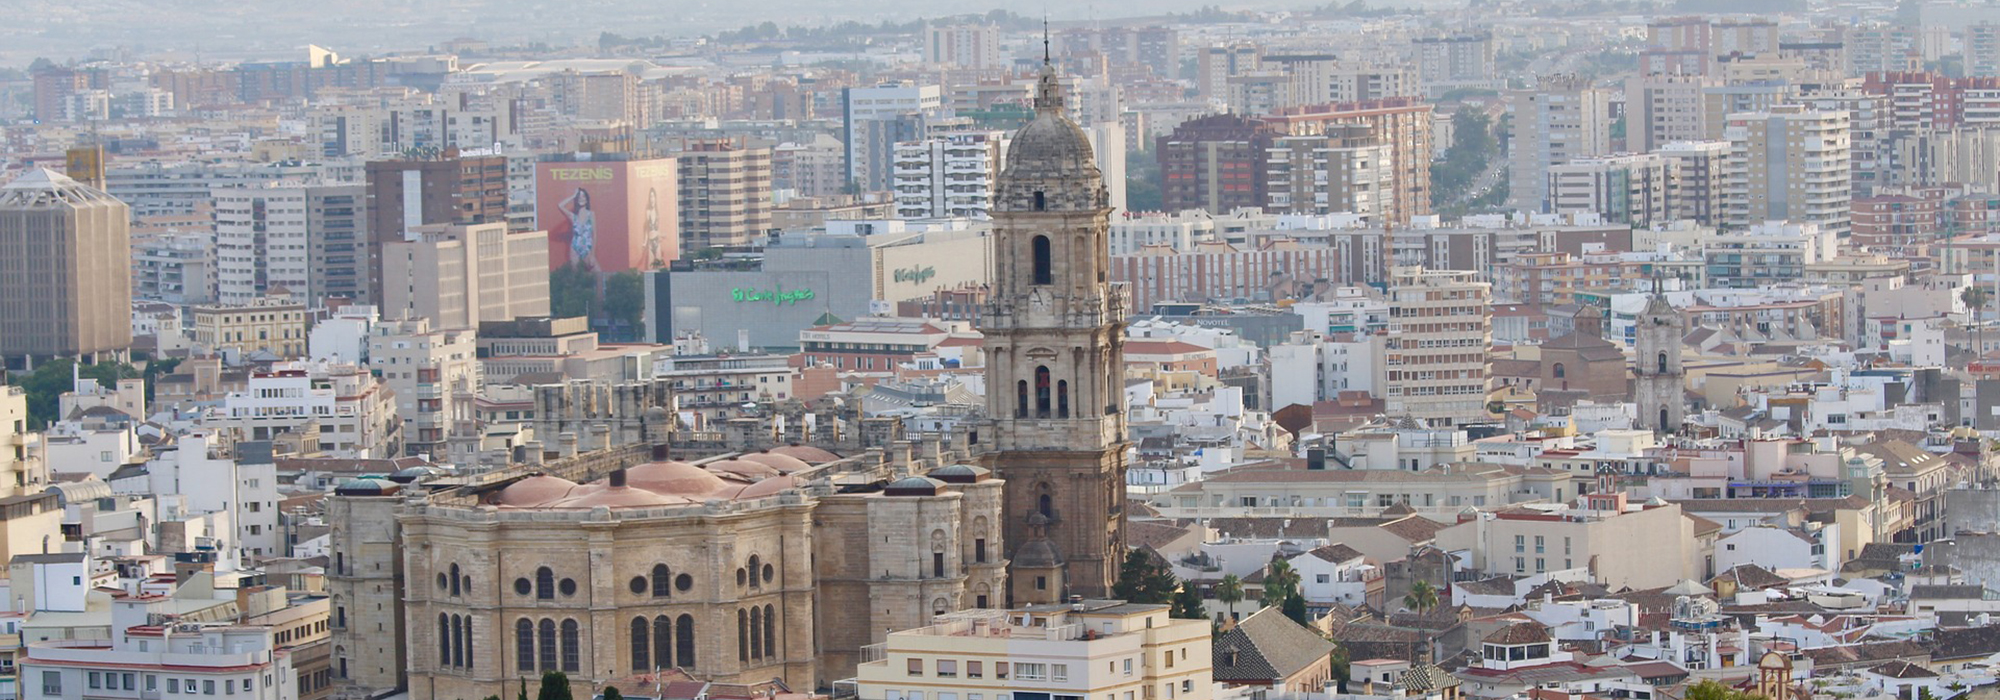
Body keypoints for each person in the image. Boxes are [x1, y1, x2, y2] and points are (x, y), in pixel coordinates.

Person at [559, 187, 596, 271]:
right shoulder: (573, 216)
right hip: (575, 247)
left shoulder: (591, 214)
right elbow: (560, 205)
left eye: (583, 196)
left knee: (596, 273)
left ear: (587, 199)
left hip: (587, 247)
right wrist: (573, 196)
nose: (581, 199)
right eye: (579, 197)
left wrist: (593, 255)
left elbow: (594, 234)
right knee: (575, 274)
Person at [643, 187, 667, 268]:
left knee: (659, 267)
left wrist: (661, 235)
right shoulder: (648, 212)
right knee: (650, 267)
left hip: (657, 243)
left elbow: (660, 229)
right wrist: (645, 242)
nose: (652, 199)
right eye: (650, 197)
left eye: (653, 196)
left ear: (655, 198)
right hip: (650, 243)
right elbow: (646, 229)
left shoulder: (658, 212)